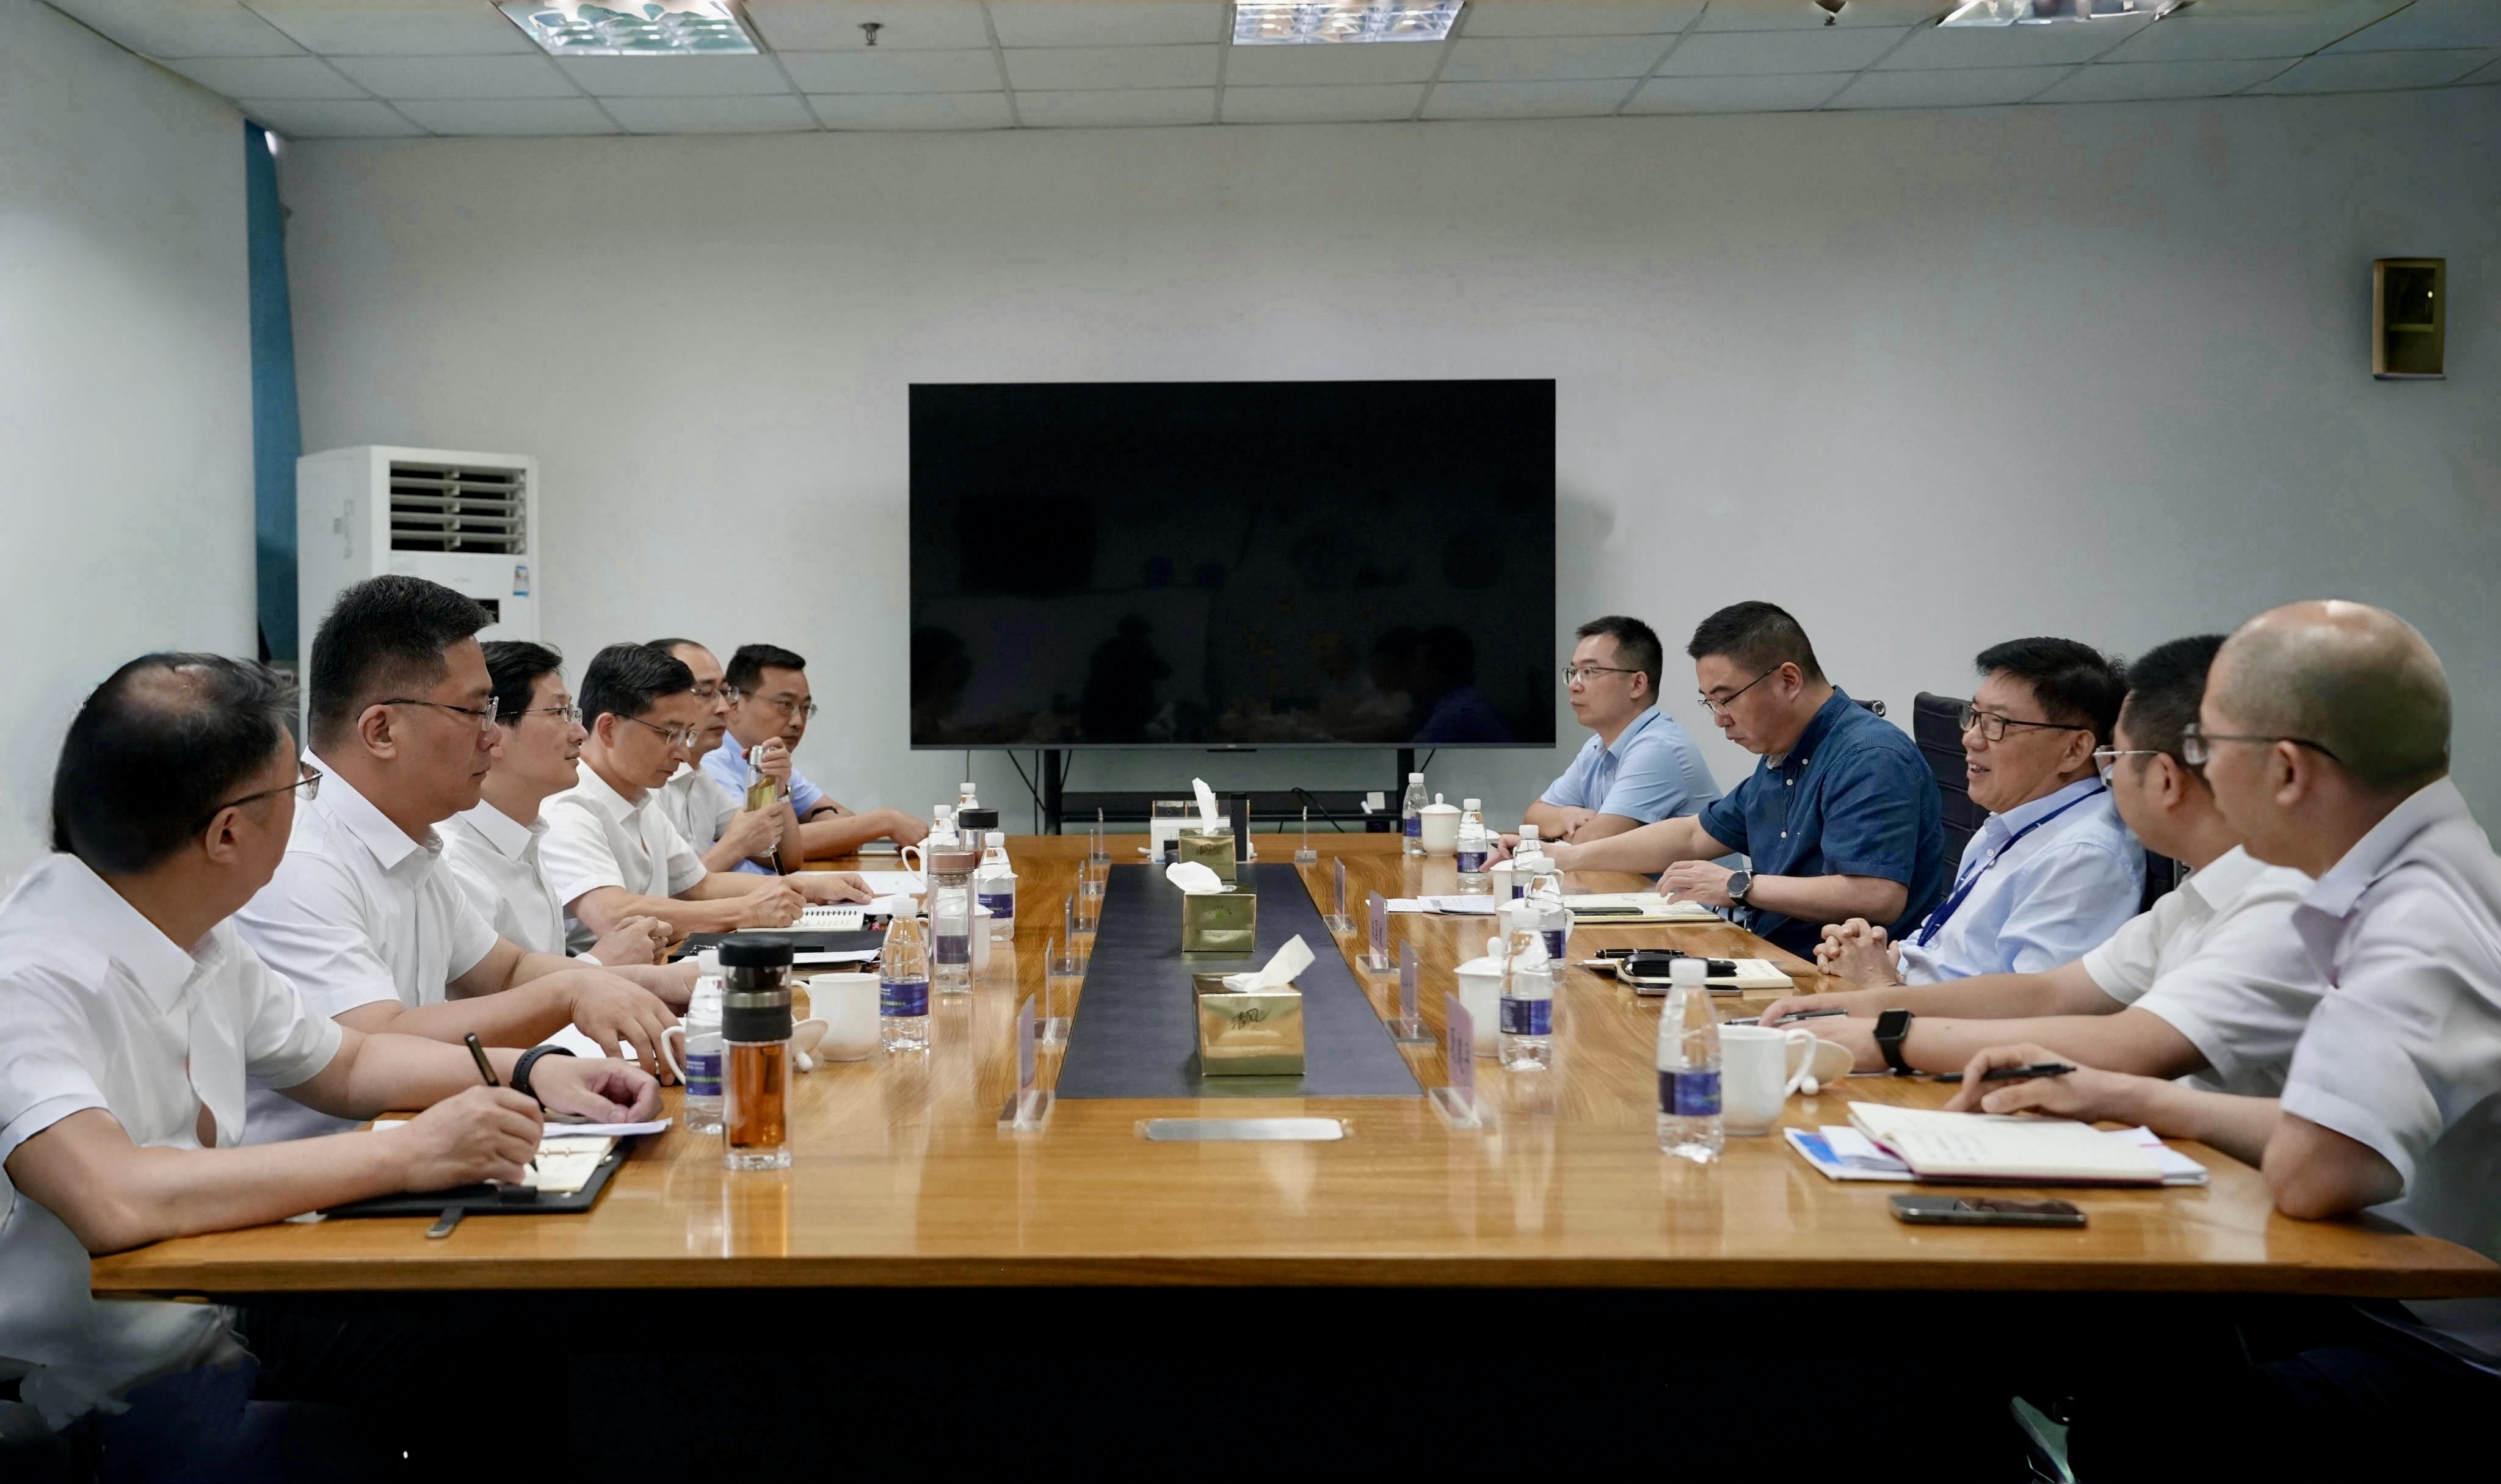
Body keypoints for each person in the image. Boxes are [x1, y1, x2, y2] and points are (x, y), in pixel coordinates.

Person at [0, 653, 656, 1468]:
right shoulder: (28, 974)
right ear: (228, 833)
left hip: (215, 1312)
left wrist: (532, 1070)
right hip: (91, 1389)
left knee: (514, 1347)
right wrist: (410, 1151)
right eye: (295, 789)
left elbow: (345, 1062)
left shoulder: (194, 928)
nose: (305, 806)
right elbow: (115, 1196)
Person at [1945, 601, 2501, 1473]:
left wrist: (2139, 1095)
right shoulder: (2407, 874)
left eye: (2211, 747)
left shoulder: (2414, 914)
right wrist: (2119, 1093)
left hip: (2424, 1338)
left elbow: (2315, 1170)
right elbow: (2324, 1133)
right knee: (1992, 1329)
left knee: (2138, 1419)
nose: (2192, 773)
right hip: (2361, 1286)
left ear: (2283, 768)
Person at [1757, 636, 2322, 1091]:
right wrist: (1860, 1007)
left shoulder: (2277, 903)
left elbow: (2128, 1043)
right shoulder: (2195, 897)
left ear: (2167, 777)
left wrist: (1886, 1032)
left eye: (2116, 758)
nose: (2108, 777)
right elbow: (2048, 993)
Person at [234, 577, 686, 1145]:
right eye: (475, 711)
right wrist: (572, 994)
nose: (492, 738)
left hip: (417, 1139)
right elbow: (375, 1043)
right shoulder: (301, 857)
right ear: (381, 731)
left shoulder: (409, 836)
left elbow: (507, 970)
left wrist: (669, 981)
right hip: (322, 1178)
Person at [1545, 601, 1945, 958]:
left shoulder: (1869, 756)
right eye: (1710, 702)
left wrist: (1739, 885)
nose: (1719, 718)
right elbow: (1694, 835)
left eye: (1726, 698)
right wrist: (1566, 858)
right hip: (1770, 953)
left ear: (1788, 681)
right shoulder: (1784, 752)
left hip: (1835, 978)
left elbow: (1877, 894)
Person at [1813, 638, 2143, 985]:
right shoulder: (2009, 822)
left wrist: (1882, 985)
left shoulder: (2083, 857)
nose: (1970, 738)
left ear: (2074, 750)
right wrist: (1872, 954)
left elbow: (2034, 1011)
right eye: (1973, 716)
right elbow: (1946, 953)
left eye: (1996, 723)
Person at [543, 643, 869, 951]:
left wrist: (812, 888)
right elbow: (613, 913)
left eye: (686, 735)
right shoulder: (567, 803)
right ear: (608, 729)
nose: (683, 752)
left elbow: (699, 886)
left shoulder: (639, 796)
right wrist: (748, 911)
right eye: (670, 733)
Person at [441, 640, 676, 965]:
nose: (580, 733)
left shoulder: (526, 835)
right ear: (493, 732)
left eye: (572, 713)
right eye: (557, 713)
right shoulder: (456, 862)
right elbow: (501, 994)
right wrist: (601, 963)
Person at [704, 643, 929, 863]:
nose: (797, 722)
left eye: (805, 709)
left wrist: (837, 835)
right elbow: (764, 844)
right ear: (734, 703)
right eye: (785, 705)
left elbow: (843, 821)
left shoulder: (771, 760)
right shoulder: (711, 763)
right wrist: (884, 821)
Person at [1523, 615, 1720, 845]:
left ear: (1637, 684)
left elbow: (1596, 842)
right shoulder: (1596, 747)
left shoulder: (1658, 748)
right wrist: (1565, 815)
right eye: (1574, 672)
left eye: (1589, 672)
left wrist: (1560, 832)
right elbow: (1533, 818)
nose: (1574, 685)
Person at [646, 637, 784, 874]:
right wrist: (736, 844)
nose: (724, 708)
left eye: (724, 692)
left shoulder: (700, 777)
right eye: (704, 692)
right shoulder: (649, 786)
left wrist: (779, 787)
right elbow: (668, 891)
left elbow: (780, 856)